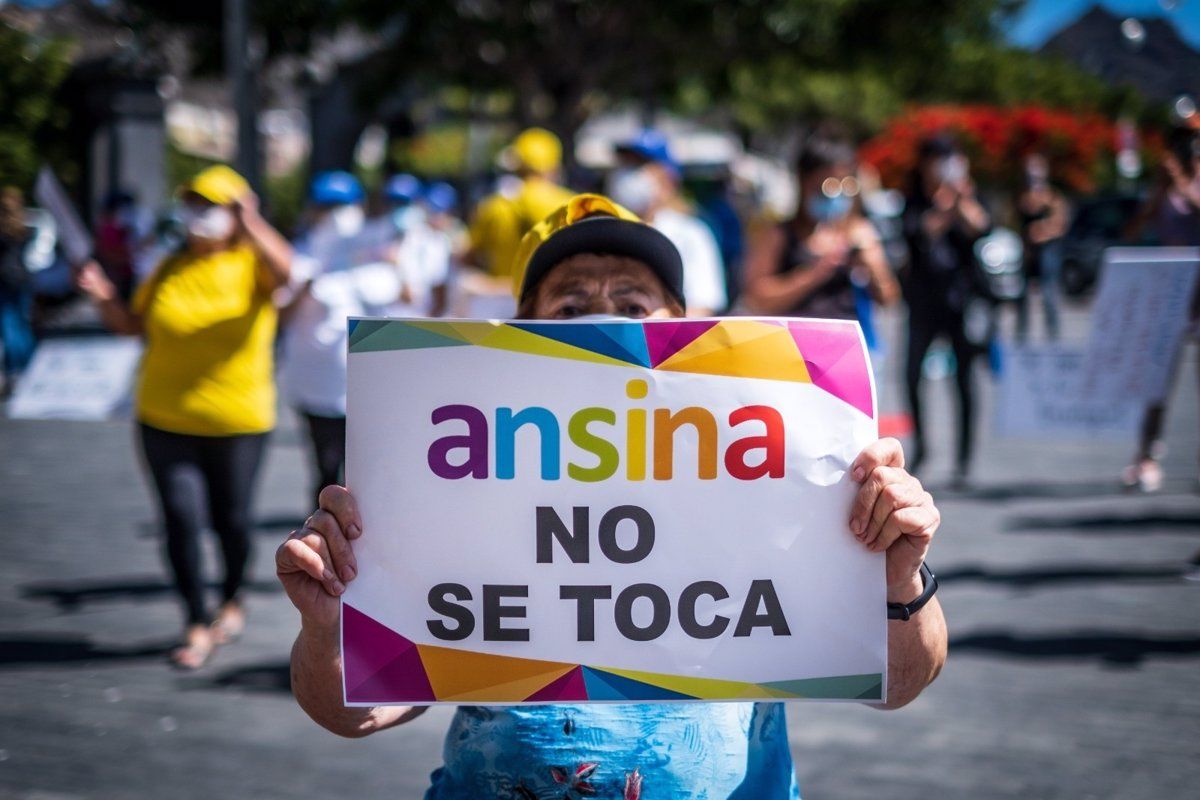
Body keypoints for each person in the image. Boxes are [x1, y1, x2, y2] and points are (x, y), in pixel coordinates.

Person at [276, 193, 947, 798]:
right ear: (518, 332)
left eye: (632, 305)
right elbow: (356, 713)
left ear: (682, 326)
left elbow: (901, 682)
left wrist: (897, 573)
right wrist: (329, 623)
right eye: (570, 307)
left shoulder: (781, 455)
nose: (603, 322)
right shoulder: (444, 490)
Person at [76, 165, 293, 669]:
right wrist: (102, 296)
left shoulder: (252, 264)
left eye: (212, 205)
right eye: (192, 203)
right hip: (163, 417)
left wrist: (252, 220)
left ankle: (232, 598)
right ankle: (196, 621)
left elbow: (287, 272)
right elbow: (132, 325)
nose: (199, 215)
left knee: (233, 520)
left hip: (238, 420)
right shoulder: (167, 264)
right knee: (180, 518)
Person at [279, 171, 409, 504]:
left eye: (343, 205)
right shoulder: (300, 254)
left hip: (364, 383)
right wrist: (307, 283)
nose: (335, 215)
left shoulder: (377, 249)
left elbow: (402, 297)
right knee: (325, 468)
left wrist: (394, 263)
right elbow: (281, 314)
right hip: (315, 384)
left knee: (365, 475)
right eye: (327, 207)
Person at [901, 135, 991, 481]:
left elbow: (982, 228)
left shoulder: (968, 195)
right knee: (911, 375)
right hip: (923, 301)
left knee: (965, 380)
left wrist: (962, 199)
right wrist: (942, 205)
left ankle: (964, 457)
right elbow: (918, 233)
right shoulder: (915, 200)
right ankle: (922, 446)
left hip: (961, 301)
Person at [741, 135, 898, 327]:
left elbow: (889, 299)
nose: (834, 196)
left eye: (843, 186)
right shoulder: (779, 235)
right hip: (793, 346)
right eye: (825, 186)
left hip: (845, 347)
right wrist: (814, 274)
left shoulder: (857, 231)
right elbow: (756, 299)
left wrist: (874, 269)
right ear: (803, 181)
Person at [1121, 124, 1200, 493]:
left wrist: (1184, 184)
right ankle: (1146, 455)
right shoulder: (1162, 184)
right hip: (1170, 294)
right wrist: (1159, 190)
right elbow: (1133, 231)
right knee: (1157, 381)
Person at [607, 129, 728, 316]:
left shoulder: (691, 233)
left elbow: (702, 307)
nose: (627, 173)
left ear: (667, 178)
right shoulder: (596, 228)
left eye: (639, 165)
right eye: (625, 163)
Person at [466, 127, 575, 278]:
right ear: (555, 166)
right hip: (554, 295)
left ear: (516, 165)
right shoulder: (574, 205)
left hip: (504, 295)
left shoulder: (494, 205)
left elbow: (469, 255)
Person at [1014, 153, 1070, 343]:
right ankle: (1021, 336)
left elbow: (1060, 224)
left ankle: (1053, 336)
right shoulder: (1024, 194)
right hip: (1027, 250)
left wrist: (1041, 230)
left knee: (1049, 293)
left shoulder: (1053, 196)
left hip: (1048, 250)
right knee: (1021, 294)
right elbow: (1025, 210)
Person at [0, 187, 35, 394]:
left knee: (10, 327)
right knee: (21, 326)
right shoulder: (23, 228)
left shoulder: (4, 231)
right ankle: (27, 368)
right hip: (22, 280)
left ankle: (15, 370)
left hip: (5, 281)